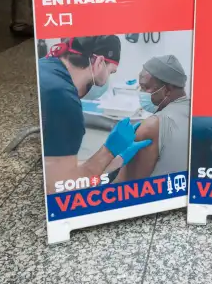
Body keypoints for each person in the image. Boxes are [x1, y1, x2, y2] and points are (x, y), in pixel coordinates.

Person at [38, 35, 151, 194]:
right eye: (111, 72)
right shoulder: (62, 98)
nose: (107, 81)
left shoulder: (45, 66)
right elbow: (60, 187)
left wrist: (118, 159)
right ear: (98, 62)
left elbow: (62, 168)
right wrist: (108, 150)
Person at [116, 55, 191, 181]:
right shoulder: (199, 112)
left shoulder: (152, 127)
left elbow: (125, 188)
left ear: (167, 89)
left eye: (145, 87)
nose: (141, 92)